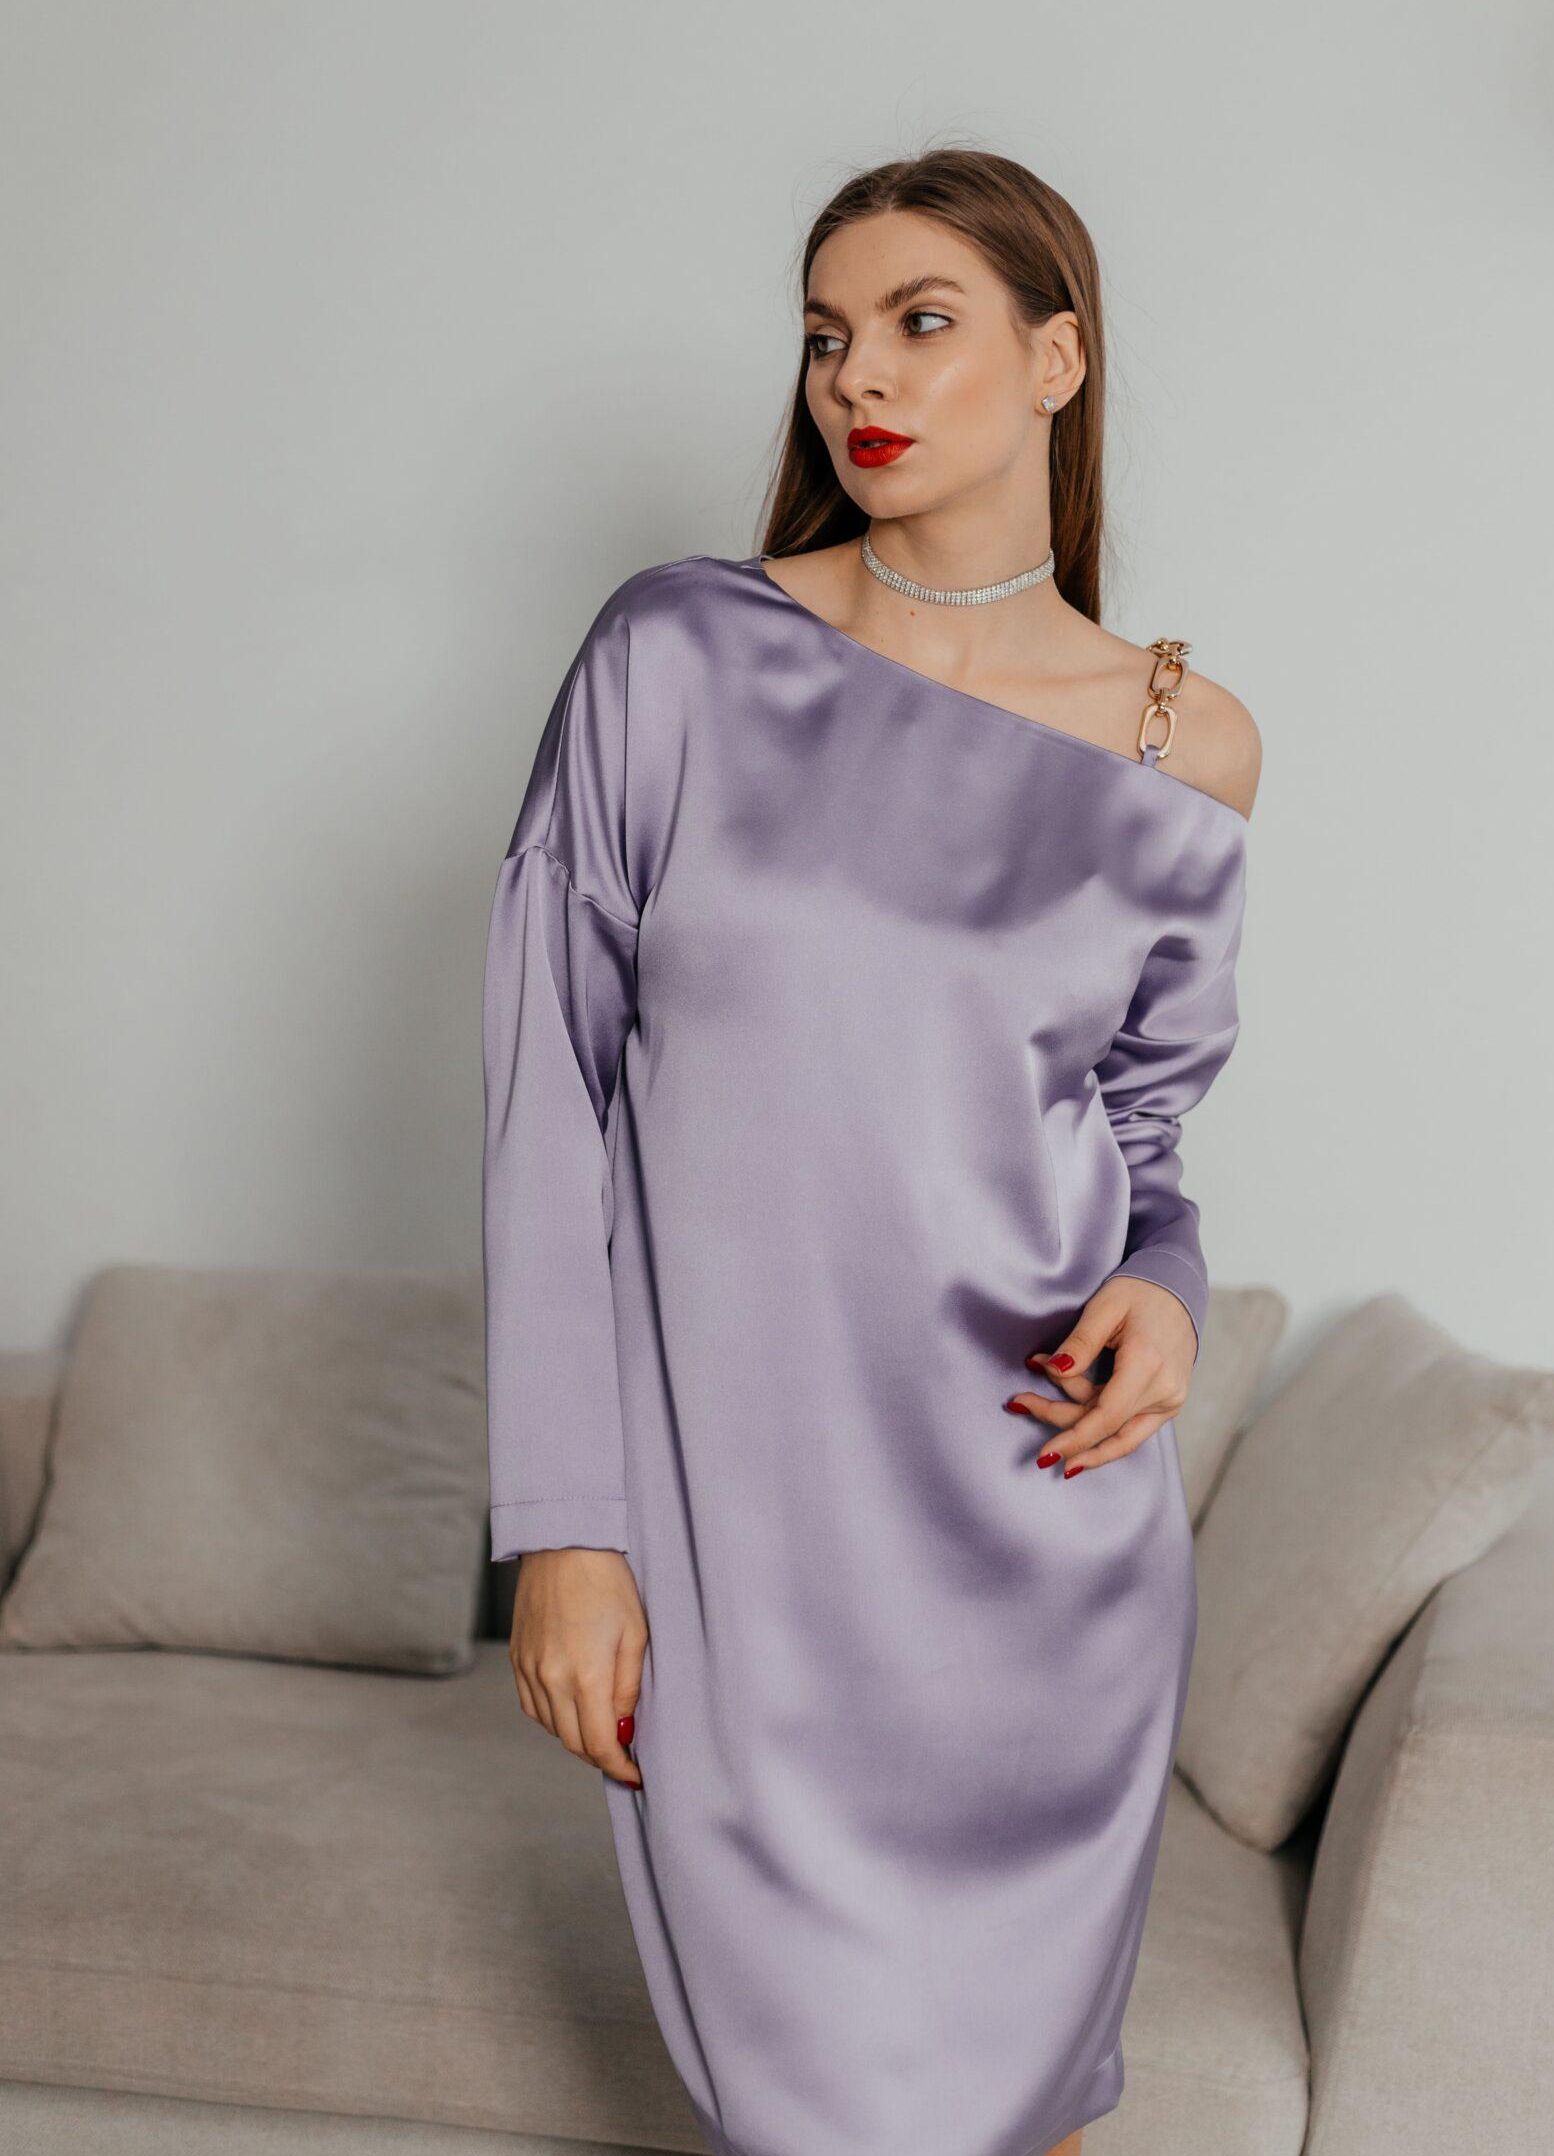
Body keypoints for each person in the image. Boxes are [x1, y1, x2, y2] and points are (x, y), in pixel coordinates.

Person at [480, 145, 1262, 2156]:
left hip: (1036, 1533)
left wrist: (1167, 1290)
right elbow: (548, 1094)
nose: (860, 377)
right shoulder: (676, 657)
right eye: (828, 335)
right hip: (744, 1550)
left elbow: (1142, 1127)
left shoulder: (1181, 740)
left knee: (1024, 2119)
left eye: (922, 321)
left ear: (1056, 357)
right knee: (820, 2106)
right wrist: (566, 1526)